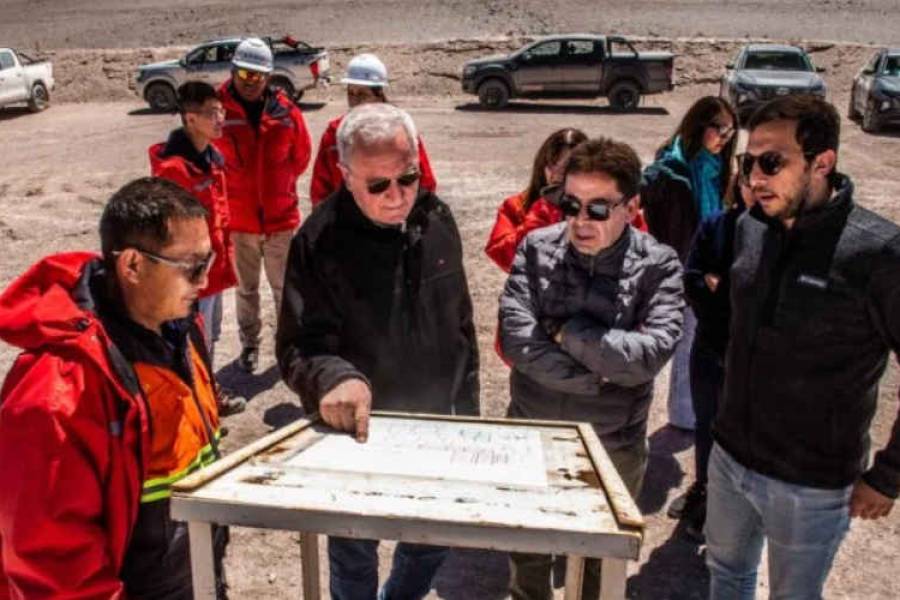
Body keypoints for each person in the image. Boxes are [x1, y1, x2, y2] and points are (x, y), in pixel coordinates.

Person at [276, 102, 479, 600]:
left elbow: (462, 324)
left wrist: (470, 416)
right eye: (378, 185)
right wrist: (334, 379)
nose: (397, 197)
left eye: (406, 178)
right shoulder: (318, 240)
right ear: (345, 175)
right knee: (353, 555)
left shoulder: (434, 217)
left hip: (434, 426)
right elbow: (299, 345)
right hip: (356, 436)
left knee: (432, 542)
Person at [706, 95, 900, 599]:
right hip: (729, 461)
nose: (754, 178)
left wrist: (888, 475)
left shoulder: (878, 254)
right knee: (725, 576)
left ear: (823, 162)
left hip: (810, 486)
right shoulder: (750, 229)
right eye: (748, 162)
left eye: (772, 162)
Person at [0, 177, 228, 599]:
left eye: (209, 261)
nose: (206, 280)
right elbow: (48, 563)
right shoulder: (59, 389)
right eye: (193, 266)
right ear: (133, 267)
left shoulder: (181, 329)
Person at [499, 137, 684, 600]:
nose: (581, 221)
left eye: (598, 209)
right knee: (529, 560)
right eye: (571, 204)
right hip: (533, 436)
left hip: (612, 449)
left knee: (599, 573)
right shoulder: (535, 249)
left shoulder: (659, 265)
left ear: (632, 205)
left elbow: (648, 356)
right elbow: (518, 341)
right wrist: (601, 376)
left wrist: (564, 333)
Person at [641, 96, 737, 434]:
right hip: (677, 271)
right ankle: (671, 416)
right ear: (699, 125)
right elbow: (655, 226)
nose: (725, 137)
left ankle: (688, 413)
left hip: (710, 273)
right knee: (670, 342)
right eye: (719, 128)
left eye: (730, 130)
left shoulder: (720, 170)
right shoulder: (670, 171)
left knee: (697, 343)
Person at [149, 80, 245, 415]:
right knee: (191, 340)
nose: (220, 119)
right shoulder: (175, 169)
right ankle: (196, 407)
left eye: (221, 111)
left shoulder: (212, 158)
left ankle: (206, 395)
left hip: (213, 270)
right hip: (192, 274)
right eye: (211, 113)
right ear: (189, 118)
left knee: (210, 335)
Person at [217, 37, 312, 373]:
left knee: (285, 290)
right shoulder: (218, 109)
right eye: (244, 74)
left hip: (279, 221)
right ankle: (250, 345)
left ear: (269, 77)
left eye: (257, 76)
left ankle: (290, 347)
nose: (250, 82)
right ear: (233, 71)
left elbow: (300, 158)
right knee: (246, 289)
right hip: (240, 224)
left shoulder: (286, 111)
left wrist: (279, 188)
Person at [674, 176, 755, 541]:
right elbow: (691, 280)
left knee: (737, 432)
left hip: (751, 359)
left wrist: (721, 287)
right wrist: (721, 297)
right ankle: (703, 489)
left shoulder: (786, 235)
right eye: (747, 179)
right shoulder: (718, 225)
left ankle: (724, 507)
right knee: (706, 424)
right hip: (709, 346)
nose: (755, 186)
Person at [309, 53, 437, 206]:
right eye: (351, 93)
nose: (355, 100)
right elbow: (320, 189)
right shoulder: (334, 133)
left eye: (362, 94)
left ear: (379, 95)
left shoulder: (400, 129)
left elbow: (425, 182)